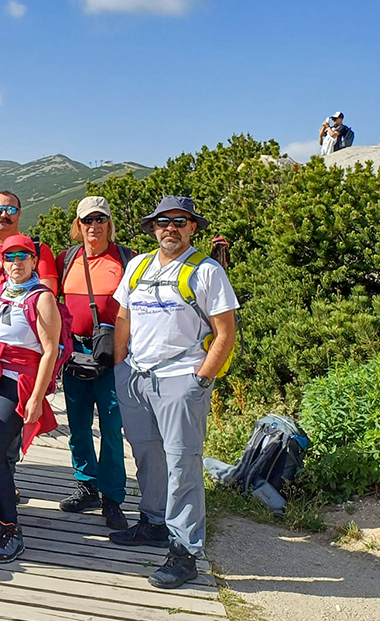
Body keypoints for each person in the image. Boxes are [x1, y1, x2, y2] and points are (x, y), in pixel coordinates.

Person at [110, 196, 238, 590]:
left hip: (182, 378)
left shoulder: (207, 271)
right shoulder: (137, 266)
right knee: (147, 454)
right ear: (153, 227)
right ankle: (152, 522)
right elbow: (123, 317)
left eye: (180, 222)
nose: (171, 228)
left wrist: (200, 381)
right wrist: (120, 367)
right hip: (136, 377)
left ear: (192, 227)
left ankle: (184, 554)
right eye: (163, 221)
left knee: (183, 464)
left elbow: (226, 333)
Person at [0, 234, 62, 563]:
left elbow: (50, 350)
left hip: (15, 382)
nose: (17, 262)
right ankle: (0, 514)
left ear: (35, 261)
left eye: (24, 256)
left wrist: (37, 397)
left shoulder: (41, 298)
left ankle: (12, 529)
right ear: (3, 262)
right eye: (10, 257)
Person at [54, 197, 133, 530]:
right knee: (79, 424)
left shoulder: (126, 259)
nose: (94, 226)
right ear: (78, 225)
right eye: (88, 220)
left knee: (112, 427)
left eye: (101, 219)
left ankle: (112, 497)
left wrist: (125, 351)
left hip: (113, 353)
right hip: (75, 352)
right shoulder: (66, 259)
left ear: (109, 223)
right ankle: (86, 485)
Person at [0, 190, 58, 291]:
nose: (4, 215)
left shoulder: (38, 249)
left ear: (19, 213)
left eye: (11, 210)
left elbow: (48, 293)